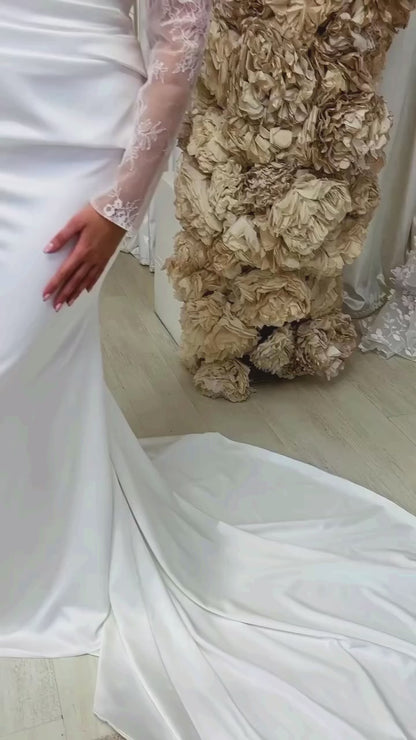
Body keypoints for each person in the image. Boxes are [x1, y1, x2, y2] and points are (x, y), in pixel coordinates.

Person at [1, 2, 415, 738]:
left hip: (77, 130)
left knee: (14, 354)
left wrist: (123, 204)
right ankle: (41, 546)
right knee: (38, 379)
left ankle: (47, 579)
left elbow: (181, 42)